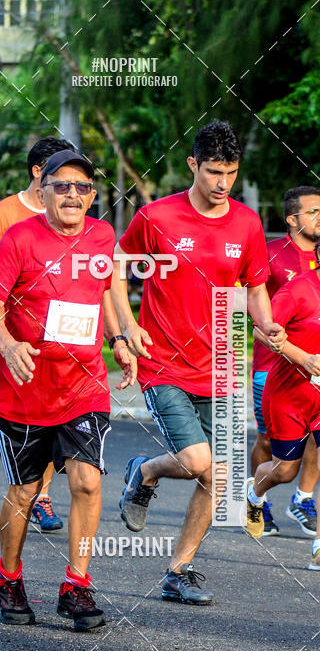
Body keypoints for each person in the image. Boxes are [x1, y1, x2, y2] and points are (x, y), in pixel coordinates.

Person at [112, 119, 284, 605]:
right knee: (196, 461)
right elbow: (116, 272)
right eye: (213, 171)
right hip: (164, 360)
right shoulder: (157, 217)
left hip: (224, 362)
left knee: (221, 478)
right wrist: (127, 326)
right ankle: (144, 471)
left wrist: (265, 323)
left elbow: (254, 289)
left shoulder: (247, 224)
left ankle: (178, 571)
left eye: (230, 172)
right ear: (192, 165)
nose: (222, 183)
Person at [0, 148, 135, 631]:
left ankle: (77, 584)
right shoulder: (21, 237)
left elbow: (103, 291)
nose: (72, 195)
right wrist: (7, 344)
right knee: (24, 491)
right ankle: (9, 577)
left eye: (82, 188)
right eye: (61, 185)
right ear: (41, 189)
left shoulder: (103, 235)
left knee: (87, 480)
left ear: (92, 195)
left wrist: (120, 339)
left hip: (84, 385)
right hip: (25, 388)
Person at [0, 137, 75, 531]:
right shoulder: (6, 212)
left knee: (52, 420)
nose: (69, 186)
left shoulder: (71, 213)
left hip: (57, 338)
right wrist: (18, 271)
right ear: (38, 173)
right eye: (58, 174)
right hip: (9, 335)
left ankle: (42, 496)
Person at [246, 240, 320, 571]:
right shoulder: (300, 289)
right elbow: (262, 330)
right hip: (289, 396)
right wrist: (302, 358)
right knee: (284, 471)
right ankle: (254, 495)